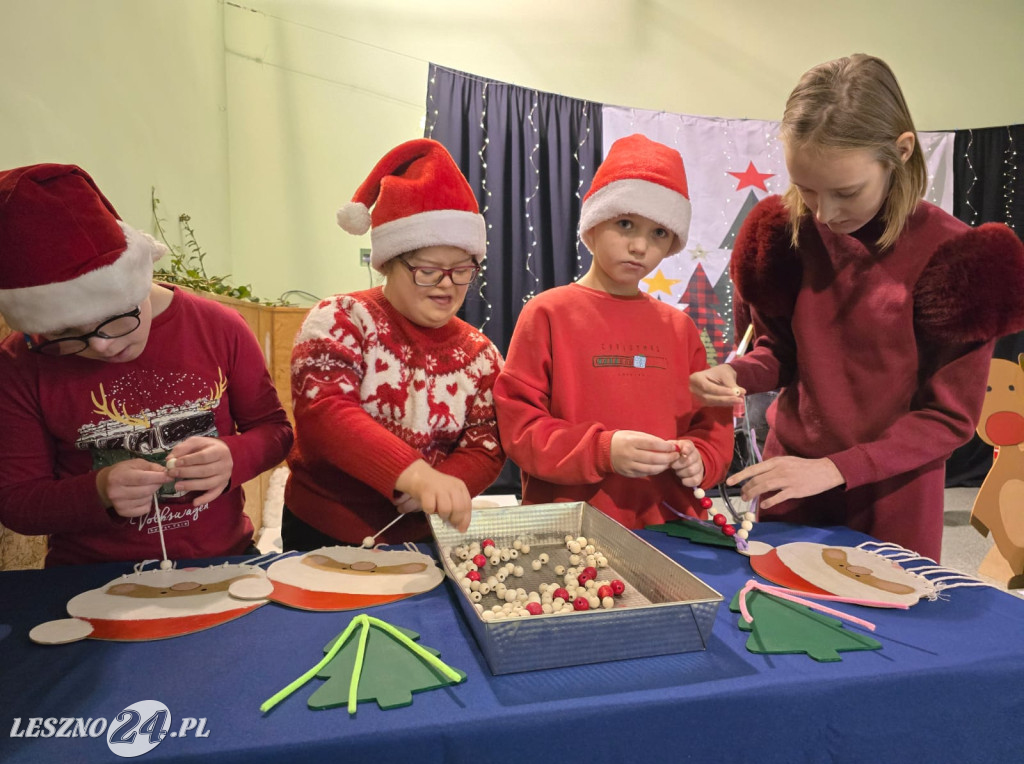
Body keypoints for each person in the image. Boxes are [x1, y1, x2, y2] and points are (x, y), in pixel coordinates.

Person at [689, 54, 1024, 561]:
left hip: (892, 498)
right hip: (789, 485)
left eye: (846, 192)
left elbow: (948, 419)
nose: (825, 213)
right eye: (806, 190)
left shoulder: (959, 260)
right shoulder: (783, 236)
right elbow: (778, 350)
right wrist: (738, 373)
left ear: (901, 151)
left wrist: (835, 468)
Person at [0, 163, 294, 566]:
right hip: (90, 576)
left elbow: (275, 431)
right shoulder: (20, 363)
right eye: (66, 334)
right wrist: (98, 491)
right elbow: (17, 502)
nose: (102, 346)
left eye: (117, 318)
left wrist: (234, 457)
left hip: (221, 562)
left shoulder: (218, 327)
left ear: (137, 279)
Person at [493, 133, 733, 529]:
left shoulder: (681, 329)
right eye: (625, 224)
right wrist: (602, 451)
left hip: (670, 532)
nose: (640, 246)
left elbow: (711, 423)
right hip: (570, 532)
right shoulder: (548, 313)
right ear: (593, 224)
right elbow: (520, 428)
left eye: (659, 233)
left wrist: (701, 457)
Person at [283, 138, 505, 549]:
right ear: (389, 261)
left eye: (461, 271)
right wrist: (414, 473)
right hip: (323, 528)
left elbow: (487, 443)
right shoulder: (341, 318)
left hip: (421, 536)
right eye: (428, 270)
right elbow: (325, 412)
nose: (446, 284)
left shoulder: (483, 356)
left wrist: (450, 482)